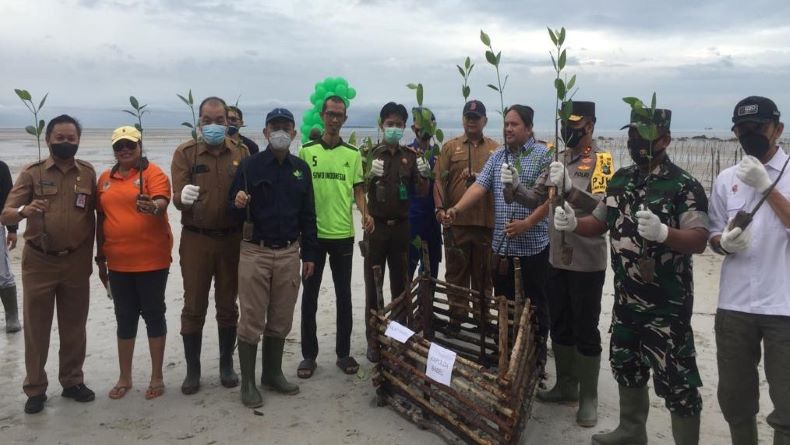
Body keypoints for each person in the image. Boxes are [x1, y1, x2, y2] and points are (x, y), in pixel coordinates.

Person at [554, 107, 708, 444]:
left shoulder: (683, 185)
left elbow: (699, 239)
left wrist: (665, 233)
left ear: (665, 139)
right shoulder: (621, 178)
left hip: (666, 306)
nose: (635, 141)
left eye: (644, 136)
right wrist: (574, 222)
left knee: (677, 382)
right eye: (632, 134)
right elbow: (599, 219)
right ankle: (631, 430)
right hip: (625, 299)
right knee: (626, 365)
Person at [500, 101, 613, 427]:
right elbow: (535, 199)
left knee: (585, 327)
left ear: (590, 125)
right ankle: (566, 385)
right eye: (566, 123)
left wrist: (570, 192)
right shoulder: (556, 159)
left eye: (576, 124)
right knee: (560, 323)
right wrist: (513, 185)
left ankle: (588, 397)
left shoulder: (602, 162)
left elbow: (604, 211)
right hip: (555, 256)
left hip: (586, 261)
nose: (569, 130)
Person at [1, 115, 97, 414]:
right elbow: (6, 214)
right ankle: (35, 388)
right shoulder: (32, 173)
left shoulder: (88, 173)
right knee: (37, 328)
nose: (66, 143)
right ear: (48, 139)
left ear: (78, 140)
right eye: (60, 138)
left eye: (71, 138)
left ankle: (71, 381)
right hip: (39, 261)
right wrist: (25, 210)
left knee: (74, 326)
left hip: (77, 261)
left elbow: (99, 214)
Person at [708, 96, 790, 445]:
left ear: (778, 129)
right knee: (735, 399)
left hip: (783, 306)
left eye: (758, 128)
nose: (750, 135)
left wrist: (765, 187)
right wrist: (722, 243)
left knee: (787, 404)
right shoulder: (727, 179)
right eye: (742, 129)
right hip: (735, 304)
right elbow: (712, 233)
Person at [445, 105, 552, 365]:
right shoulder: (498, 156)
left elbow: (550, 199)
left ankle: (535, 355)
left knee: (534, 303)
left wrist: (527, 223)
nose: (508, 129)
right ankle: (504, 349)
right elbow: (480, 188)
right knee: (503, 302)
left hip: (532, 247)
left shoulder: (543, 155)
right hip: (501, 247)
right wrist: (456, 209)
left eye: (514, 124)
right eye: (506, 124)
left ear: (528, 128)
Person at [230, 107, 318, 408]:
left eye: (286, 127)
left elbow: (308, 214)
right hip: (256, 250)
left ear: (294, 134)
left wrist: (310, 254)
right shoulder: (249, 166)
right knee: (252, 317)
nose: (280, 132)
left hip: (290, 252)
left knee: (281, 316)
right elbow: (232, 208)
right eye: (274, 126)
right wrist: (238, 202)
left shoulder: (300, 169)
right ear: (265, 132)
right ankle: (249, 383)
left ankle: (272, 373)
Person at [171, 96, 249, 394]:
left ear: (228, 122)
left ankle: (226, 364)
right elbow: (177, 195)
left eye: (220, 121)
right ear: (198, 121)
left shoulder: (240, 153)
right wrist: (181, 198)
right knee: (194, 306)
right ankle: (193, 370)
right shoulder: (185, 153)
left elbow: (247, 189)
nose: (214, 126)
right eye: (208, 120)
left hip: (231, 239)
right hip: (196, 239)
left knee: (228, 305)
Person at [297, 96, 373, 379]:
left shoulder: (352, 154)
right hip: (313, 236)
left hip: (343, 234)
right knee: (310, 298)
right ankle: (308, 355)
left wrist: (366, 213)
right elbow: (300, 193)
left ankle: (343, 353)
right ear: (322, 115)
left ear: (345, 117)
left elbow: (359, 191)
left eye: (340, 114)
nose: (335, 119)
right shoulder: (306, 151)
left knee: (344, 296)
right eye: (330, 114)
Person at [95, 126, 173, 400]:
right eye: (119, 146)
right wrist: (100, 257)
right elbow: (101, 219)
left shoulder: (153, 174)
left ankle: (157, 376)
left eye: (130, 144)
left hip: (152, 261)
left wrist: (153, 206)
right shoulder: (105, 178)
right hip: (117, 263)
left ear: (140, 145)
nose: (124, 150)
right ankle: (125, 376)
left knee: (153, 315)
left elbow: (162, 201)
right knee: (124, 318)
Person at [363, 101, 431, 363]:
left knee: (400, 283)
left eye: (398, 125)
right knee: (373, 284)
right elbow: (357, 189)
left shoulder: (410, 157)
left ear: (404, 128)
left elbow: (421, 192)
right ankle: (373, 339)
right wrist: (369, 174)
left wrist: (424, 175)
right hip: (376, 227)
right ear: (382, 125)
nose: (393, 128)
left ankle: (398, 336)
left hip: (402, 227)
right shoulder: (369, 153)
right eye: (389, 124)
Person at [434, 99, 498, 330]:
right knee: (456, 274)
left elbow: (501, 182)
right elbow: (439, 180)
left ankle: (483, 320)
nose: (472, 121)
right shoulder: (450, 147)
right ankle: (456, 319)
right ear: (463, 119)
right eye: (468, 117)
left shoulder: (496, 149)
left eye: (476, 117)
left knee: (484, 276)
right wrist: (439, 208)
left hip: (485, 223)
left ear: (485, 121)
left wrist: (479, 175)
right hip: (457, 223)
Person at [407, 107, 442, 282]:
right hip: (411, 220)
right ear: (414, 128)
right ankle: (405, 308)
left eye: (429, 127)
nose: (425, 132)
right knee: (408, 267)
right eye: (421, 127)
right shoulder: (406, 154)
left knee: (432, 268)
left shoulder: (439, 156)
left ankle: (425, 308)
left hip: (433, 221)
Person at [0, 159, 21, 333]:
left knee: (3, 272)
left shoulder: (1, 167)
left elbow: (9, 199)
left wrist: (12, 229)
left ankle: (12, 316)